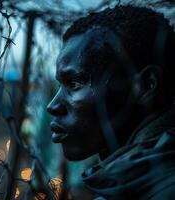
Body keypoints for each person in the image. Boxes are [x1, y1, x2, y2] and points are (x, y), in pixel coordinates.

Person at [47, 5, 175, 199]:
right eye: (60, 85)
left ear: (146, 85)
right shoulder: (132, 183)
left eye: (73, 83)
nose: (53, 106)